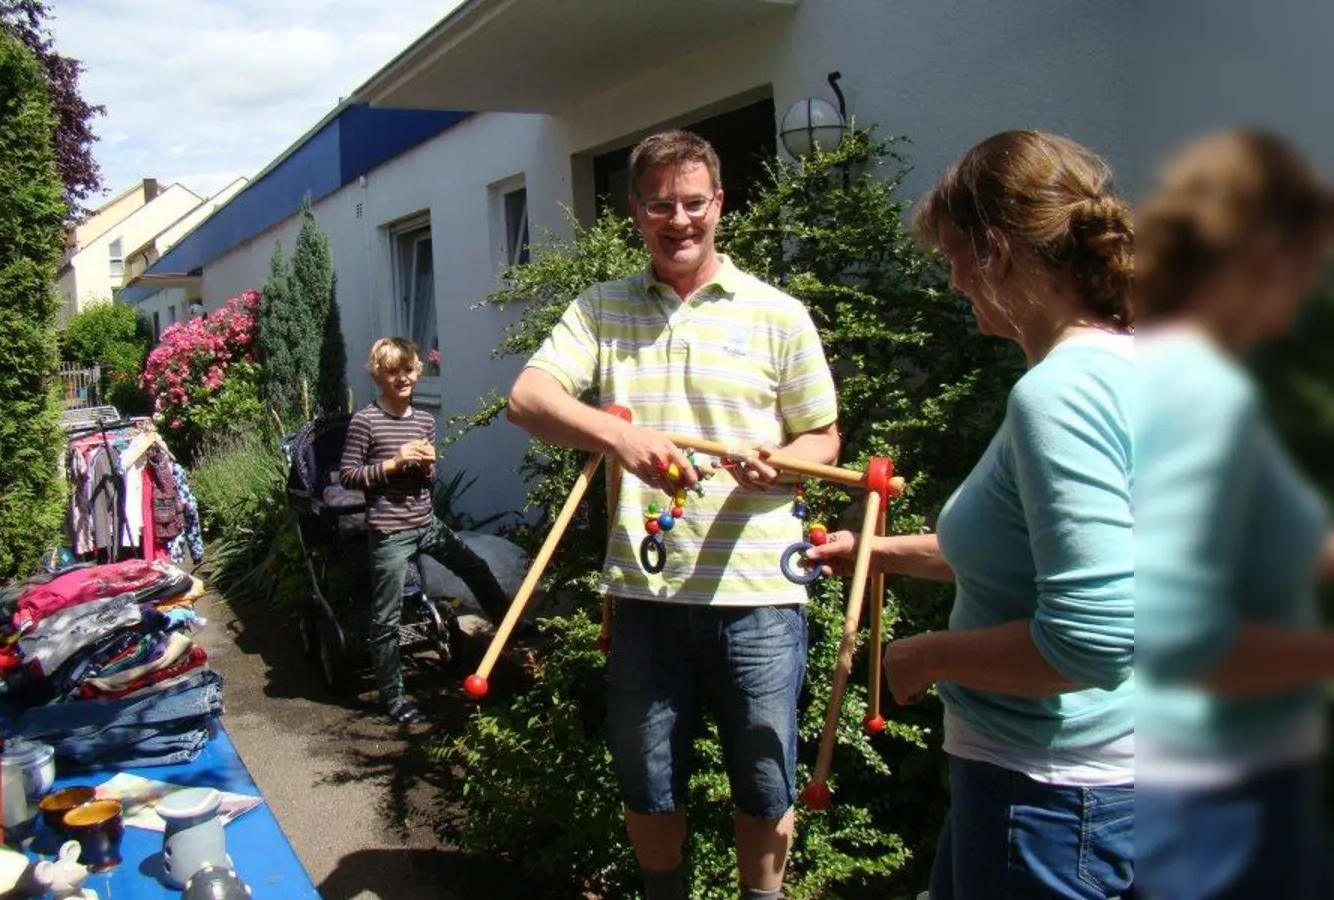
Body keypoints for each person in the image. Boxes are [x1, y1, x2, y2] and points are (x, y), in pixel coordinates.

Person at [507, 130, 841, 900]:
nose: (679, 219)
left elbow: (823, 435)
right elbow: (529, 399)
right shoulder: (601, 310)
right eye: (661, 204)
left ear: (720, 205)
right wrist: (618, 434)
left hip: (758, 594)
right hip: (646, 598)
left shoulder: (778, 314)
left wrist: (786, 464)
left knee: (765, 784)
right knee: (648, 784)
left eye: (694, 202)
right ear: (636, 212)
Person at [807, 130, 1137, 899]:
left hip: (1048, 798)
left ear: (997, 253)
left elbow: (1089, 644)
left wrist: (930, 656)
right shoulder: (1139, 365)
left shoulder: (1059, 395)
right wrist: (880, 552)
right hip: (1092, 784)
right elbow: (1045, 555)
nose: (953, 280)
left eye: (955, 254)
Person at [1130, 130, 1334, 899]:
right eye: (1305, 264)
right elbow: (1182, 638)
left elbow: (1280, 542)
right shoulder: (1193, 391)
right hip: (1214, 800)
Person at [339, 337, 512, 726]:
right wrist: (392, 464)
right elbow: (348, 476)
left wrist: (428, 467)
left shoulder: (423, 421)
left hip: (426, 523)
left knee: (476, 568)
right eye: (392, 371)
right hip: (388, 532)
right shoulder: (365, 421)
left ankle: (510, 627)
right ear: (378, 375)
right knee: (387, 619)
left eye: (408, 369)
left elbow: (426, 480)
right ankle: (394, 697)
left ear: (419, 370)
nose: (402, 378)